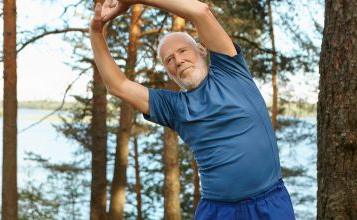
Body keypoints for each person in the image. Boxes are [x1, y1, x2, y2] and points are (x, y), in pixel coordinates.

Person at [89, 0, 296, 219]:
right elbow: (117, 85)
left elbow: (199, 11)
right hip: (217, 211)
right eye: (169, 59)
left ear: (201, 49)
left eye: (182, 50)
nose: (178, 60)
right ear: (169, 72)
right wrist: (95, 31)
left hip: (269, 204)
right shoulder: (173, 107)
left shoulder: (231, 70)